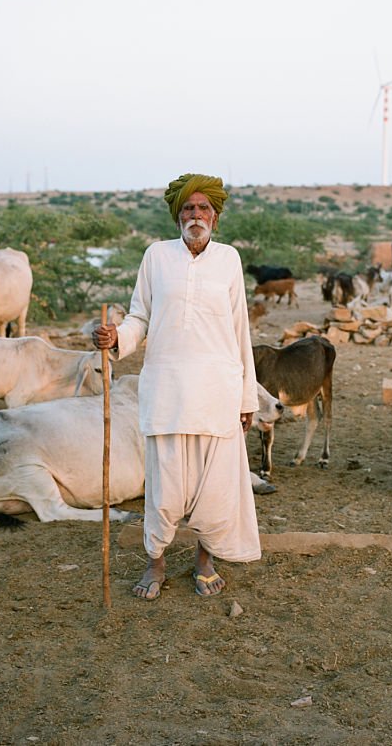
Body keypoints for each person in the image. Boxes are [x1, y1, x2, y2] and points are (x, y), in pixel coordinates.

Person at [92, 173, 261, 599]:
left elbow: (240, 329)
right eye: (188, 208)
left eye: (204, 209)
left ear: (215, 218)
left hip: (217, 390)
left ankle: (204, 560)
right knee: (164, 487)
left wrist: (246, 395)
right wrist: (118, 338)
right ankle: (157, 563)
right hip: (167, 388)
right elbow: (140, 318)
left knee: (214, 483)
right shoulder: (156, 257)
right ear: (177, 216)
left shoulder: (229, 260)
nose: (196, 215)